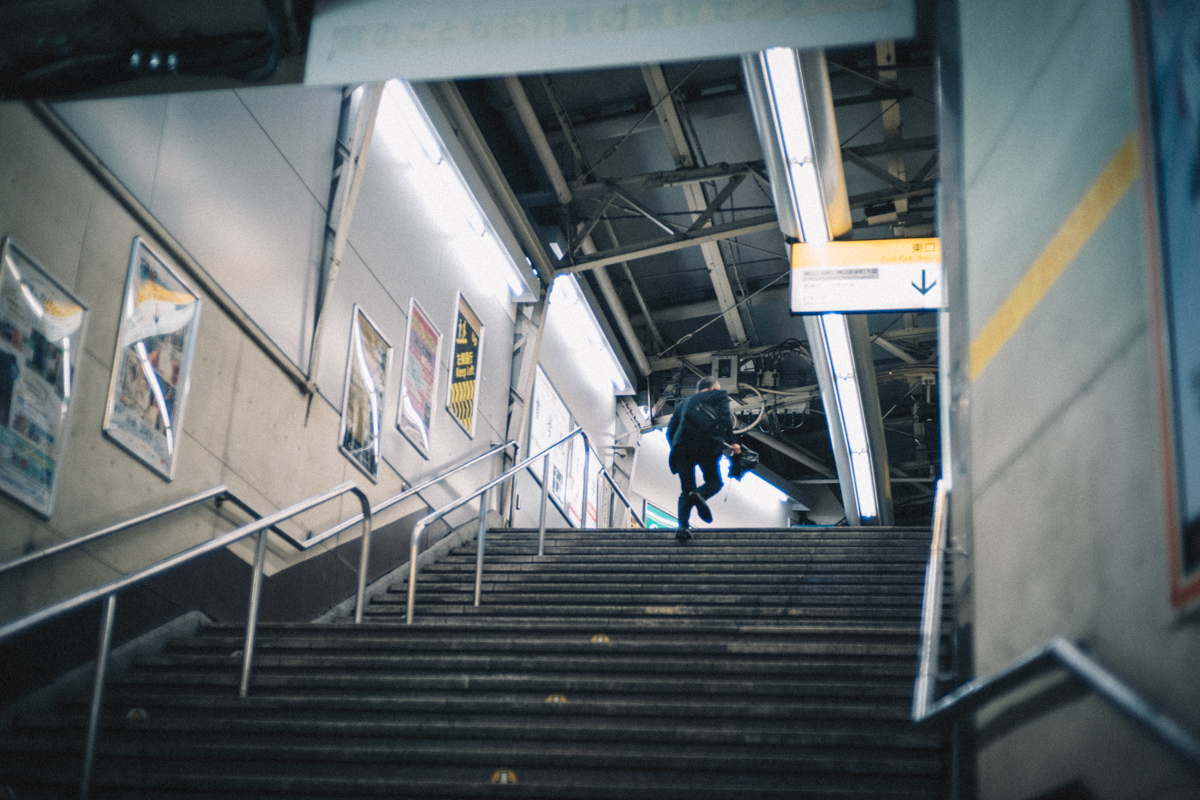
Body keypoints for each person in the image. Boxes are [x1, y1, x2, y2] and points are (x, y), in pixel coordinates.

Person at [666, 376, 741, 542]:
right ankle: (698, 495)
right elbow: (725, 420)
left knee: (686, 489)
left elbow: (670, 430)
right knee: (714, 481)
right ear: (715, 387)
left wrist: (677, 447)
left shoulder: (684, 403)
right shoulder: (719, 395)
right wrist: (733, 443)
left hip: (682, 446)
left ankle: (683, 527)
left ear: (697, 390)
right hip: (707, 444)